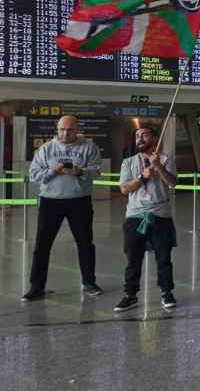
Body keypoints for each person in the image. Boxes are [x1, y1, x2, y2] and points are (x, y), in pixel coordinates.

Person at [23, 115, 103, 301]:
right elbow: (34, 175)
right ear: (57, 129)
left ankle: (89, 282)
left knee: (85, 243)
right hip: (50, 201)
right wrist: (54, 171)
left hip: (79, 200)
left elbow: (97, 171)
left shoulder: (89, 147)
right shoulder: (46, 149)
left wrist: (80, 171)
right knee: (42, 245)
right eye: (61, 129)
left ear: (77, 129)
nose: (65, 133)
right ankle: (36, 287)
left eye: (70, 130)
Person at [114, 125, 178, 312]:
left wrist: (158, 167)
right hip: (135, 215)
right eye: (137, 136)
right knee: (133, 257)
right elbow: (124, 189)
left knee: (164, 257)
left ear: (154, 139)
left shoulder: (165, 159)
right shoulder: (128, 163)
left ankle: (167, 292)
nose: (140, 139)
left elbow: (173, 184)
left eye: (144, 135)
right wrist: (143, 177)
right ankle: (130, 294)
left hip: (161, 214)